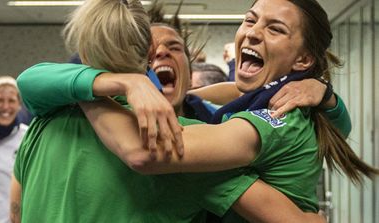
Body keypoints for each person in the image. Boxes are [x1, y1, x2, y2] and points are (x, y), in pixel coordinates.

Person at [11, 0, 328, 222]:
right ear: (147, 60)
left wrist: (325, 95)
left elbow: (16, 212)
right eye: (250, 19)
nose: (255, 31)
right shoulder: (189, 152)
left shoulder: (44, 118)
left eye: (175, 48)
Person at [74, 0, 379, 220]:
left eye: (275, 29)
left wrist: (89, 87)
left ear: (303, 60)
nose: (253, 32)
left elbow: (145, 151)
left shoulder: (276, 117)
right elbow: (234, 93)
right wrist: (326, 94)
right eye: (250, 19)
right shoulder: (277, 100)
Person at [0, 76, 27, 222]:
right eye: (0, 100)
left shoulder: (27, 137)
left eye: (11, 101)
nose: (6, 107)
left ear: (19, 105)